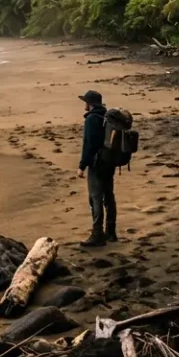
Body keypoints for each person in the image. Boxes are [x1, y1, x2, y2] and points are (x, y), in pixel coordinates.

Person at [77, 89, 116, 246]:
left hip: (97, 164)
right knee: (109, 196)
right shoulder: (106, 117)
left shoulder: (92, 119)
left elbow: (89, 145)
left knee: (95, 198)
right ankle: (111, 232)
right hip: (109, 162)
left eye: (85, 101)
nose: (84, 104)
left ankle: (97, 234)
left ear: (90, 104)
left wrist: (82, 166)